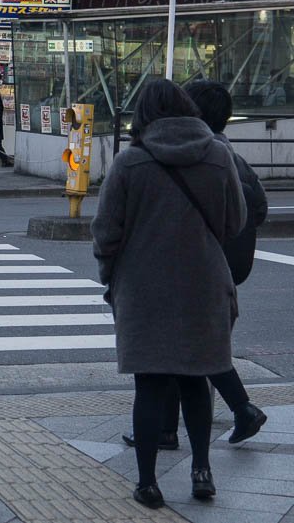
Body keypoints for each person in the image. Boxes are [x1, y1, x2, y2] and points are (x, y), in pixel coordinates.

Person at [91, 78, 246, 509]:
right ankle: (201, 470)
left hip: (143, 290)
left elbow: (106, 233)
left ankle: (147, 482)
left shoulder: (130, 163)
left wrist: (111, 277)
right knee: (198, 379)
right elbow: (236, 221)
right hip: (204, 285)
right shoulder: (218, 154)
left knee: (151, 384)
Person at [120, 81, 271, 452]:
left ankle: (238, 410)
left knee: (190, 348)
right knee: (192, 344)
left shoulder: (207, 152)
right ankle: (173, 429)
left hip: (201, 264)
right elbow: (258, 209)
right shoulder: (228, 151)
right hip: (220, 263)